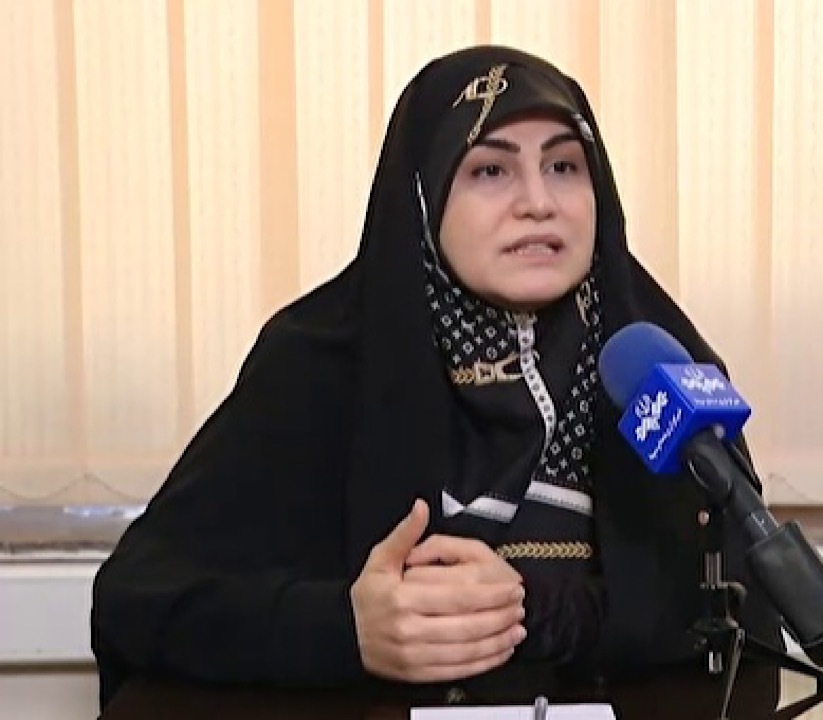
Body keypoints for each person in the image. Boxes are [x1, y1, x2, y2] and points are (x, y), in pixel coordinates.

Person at [90, 45, 784, 710]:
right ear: (422, 197)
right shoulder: (318, 361)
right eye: (491, 170)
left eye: (565, 166)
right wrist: (345, 630)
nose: (539, 202)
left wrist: (546, 614)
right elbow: (138, 600)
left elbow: (747, 612)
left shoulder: (652, 360)